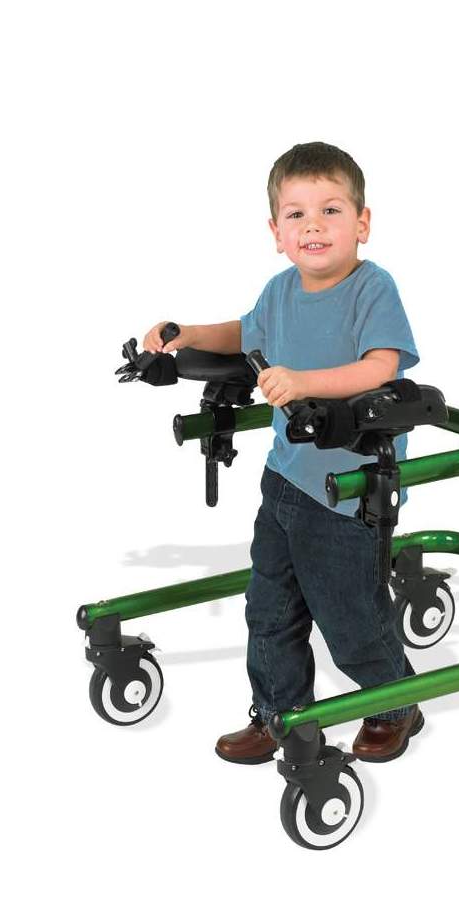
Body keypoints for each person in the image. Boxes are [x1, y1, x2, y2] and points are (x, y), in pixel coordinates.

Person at [142, 141, 423, 764]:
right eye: (296, 214)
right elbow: (244, 333)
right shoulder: (280, 290)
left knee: (350, 617)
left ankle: (395, 704)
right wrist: (186, 333)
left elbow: (382, 366)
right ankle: (279, 715)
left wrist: (303, 381)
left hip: (350, 491)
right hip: (286, 481)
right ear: (276, 232)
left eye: (330, 210)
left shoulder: (372, 288)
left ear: (362, 223)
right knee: (269, 610)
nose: (313, 226)